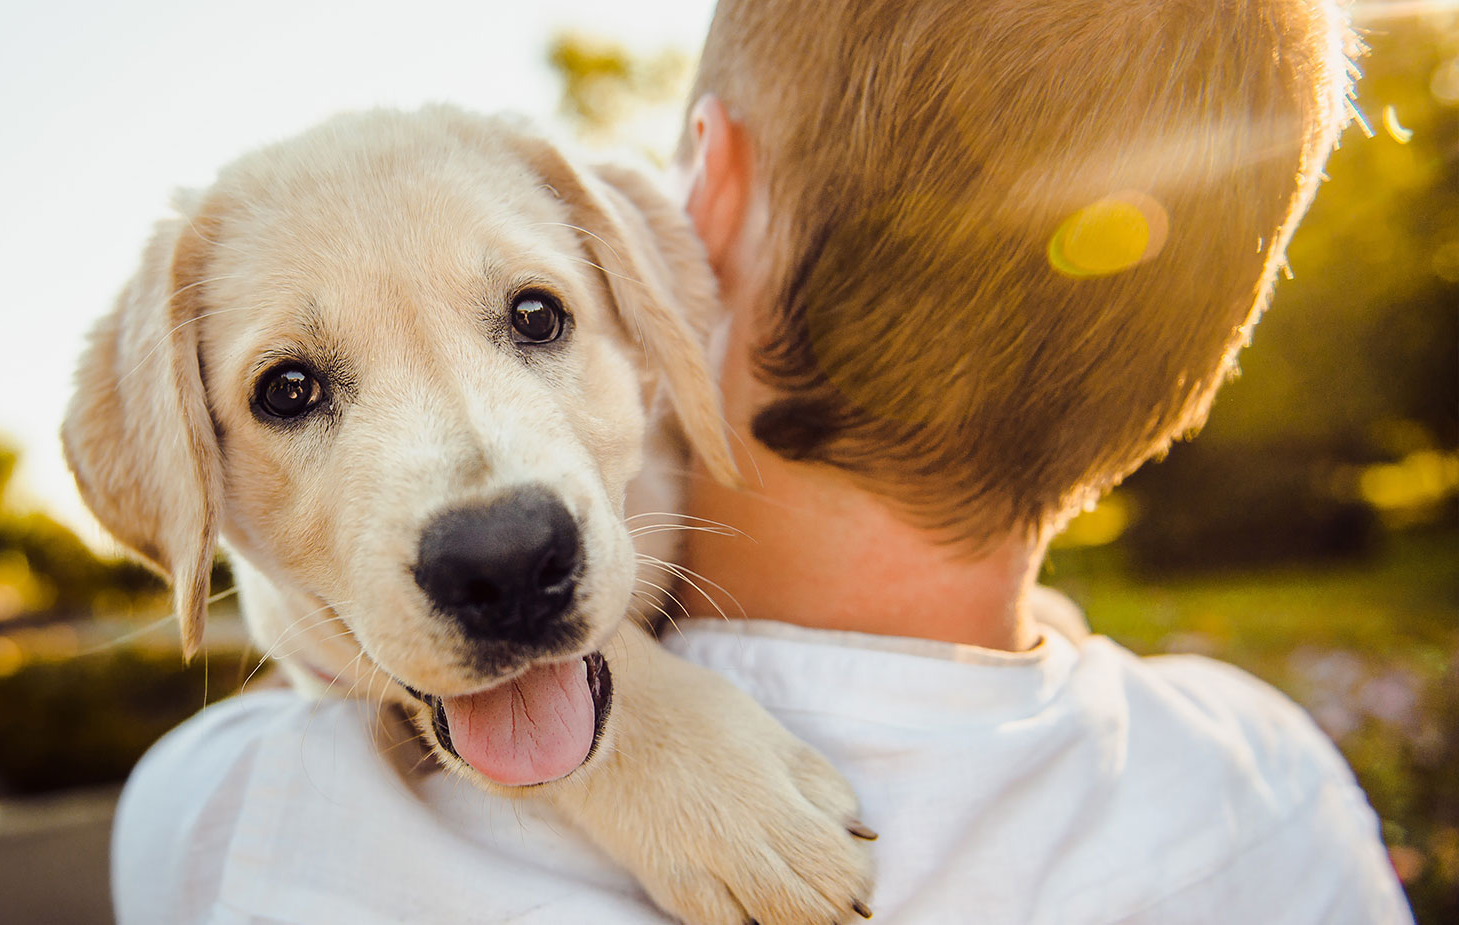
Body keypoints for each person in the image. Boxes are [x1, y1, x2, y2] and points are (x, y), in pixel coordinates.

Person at [111, 0, 1413, 921]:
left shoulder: (227, 824)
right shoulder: (1277, 782)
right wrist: (634, 729)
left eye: (534, 317)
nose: (488, 511)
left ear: (698, 208)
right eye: (294, 389)